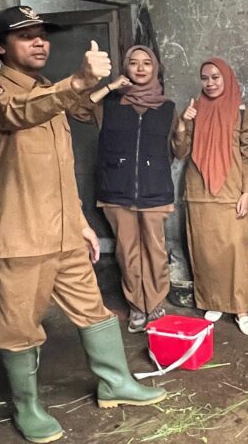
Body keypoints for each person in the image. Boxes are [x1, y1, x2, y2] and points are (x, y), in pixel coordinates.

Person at [0, 6, 165, 444]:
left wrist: (80, 222)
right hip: (21, 238)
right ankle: (27, 408)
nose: (40, 42)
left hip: (64, 233)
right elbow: (20, 113)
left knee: (94, 312)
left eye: (43, 35)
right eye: (26, 37)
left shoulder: (48, 91)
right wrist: (78, 83)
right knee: (20, 327)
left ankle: (115, 382)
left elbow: (60, 169)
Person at [83, 46, 176, 333]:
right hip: (117, 190)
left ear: (155, 68)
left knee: (156, 252)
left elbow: (179, 149)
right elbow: (78, 107)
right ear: (125, 67)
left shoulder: (168, 108)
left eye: (146, 63)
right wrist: (110, 86)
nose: (140, 68)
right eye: (133, 63)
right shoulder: (110, 103)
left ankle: (155, 303)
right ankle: (137, 305)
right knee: (127, 251)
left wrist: (185, 128)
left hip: (154, 189)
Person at [172, 57, 248, 336]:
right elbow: (180, 152)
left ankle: (241, 308)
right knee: (205, 251)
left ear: (227, 78)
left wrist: (247, 191)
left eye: (215, 77)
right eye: (205, 78)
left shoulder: (242, 111)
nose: (210, 83)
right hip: (198, 191)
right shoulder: (194, 109)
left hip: (232, 189)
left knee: (237, 250)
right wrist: (183, 124)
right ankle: (213, 301)